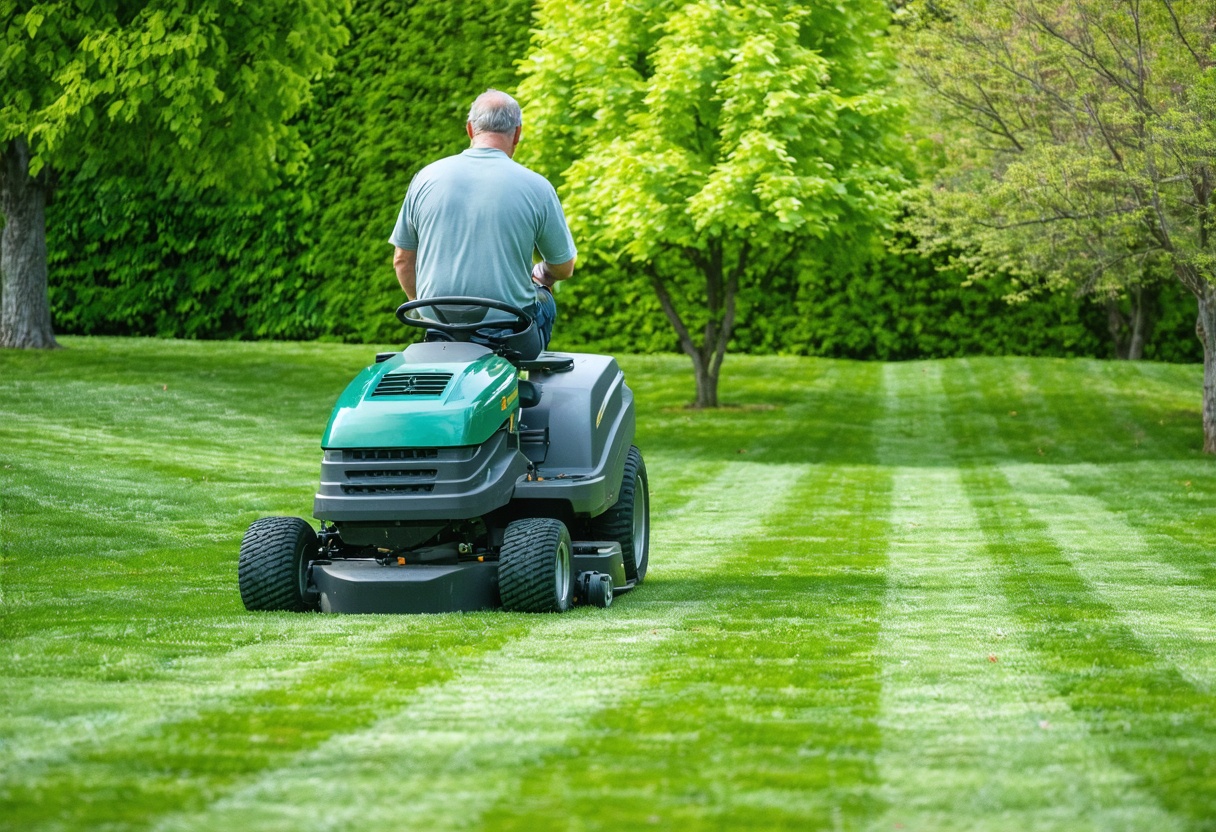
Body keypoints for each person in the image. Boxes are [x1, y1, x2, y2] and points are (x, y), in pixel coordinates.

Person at [388, 89, 576, 349]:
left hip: (441, 328)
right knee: (544, 299)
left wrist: (426, 312)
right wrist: (541, 275)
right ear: (517, 134)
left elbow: (402, 260)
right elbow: (564, 267)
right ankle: (529, 381)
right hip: (506, 332)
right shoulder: (538, 187)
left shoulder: (425, 178)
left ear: (469, 129)